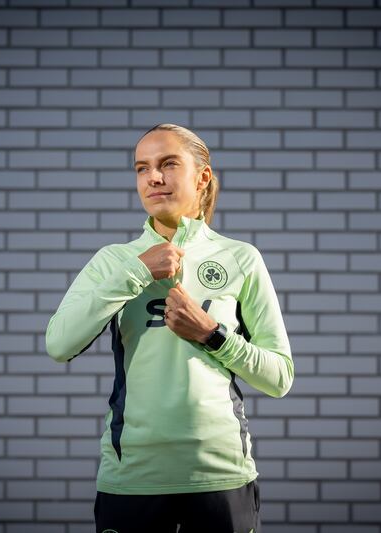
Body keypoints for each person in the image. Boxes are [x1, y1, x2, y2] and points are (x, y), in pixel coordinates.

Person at [45, 123, 293, 533]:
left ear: (202, 177)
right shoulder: (114, 260)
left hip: (220, 474)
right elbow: (59, 343)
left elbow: (279, 377)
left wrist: (213, 335)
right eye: (142, 168)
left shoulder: (241, 258)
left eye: (168, 164)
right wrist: (138, 271)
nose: (153, 177)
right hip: (133, 476)